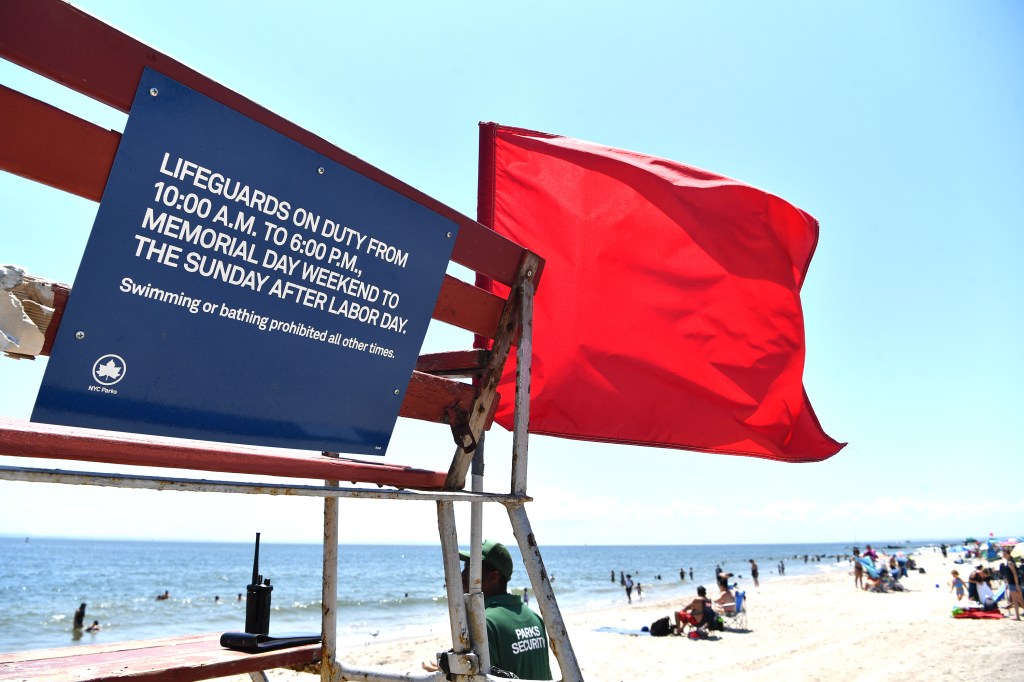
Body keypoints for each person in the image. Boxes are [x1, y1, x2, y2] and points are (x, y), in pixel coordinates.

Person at [460, 540, 552, 680]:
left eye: (470, 567)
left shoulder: (484, 623)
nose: (463, 574)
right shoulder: (535, 618)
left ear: (494, 577)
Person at [1000, 549, 1022, 620]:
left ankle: (1018, 617)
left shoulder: (1010, 562)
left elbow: (1015, 574)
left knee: (1016, 601)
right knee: (1020, 600)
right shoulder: (1009, 562)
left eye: (1005, 553)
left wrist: (1017, 585)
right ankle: (1017, 616)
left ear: (1009, 554)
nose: (1004, 554)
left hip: (1013, 583)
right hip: (1014, 582)